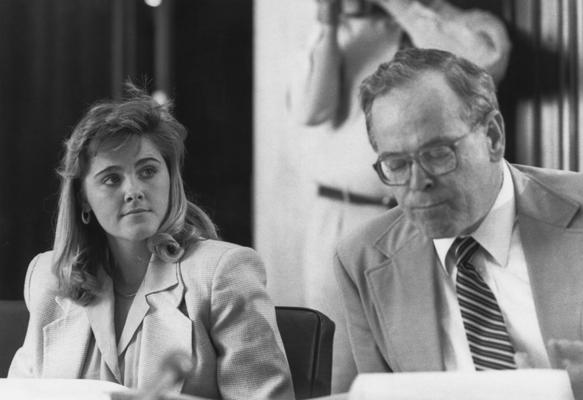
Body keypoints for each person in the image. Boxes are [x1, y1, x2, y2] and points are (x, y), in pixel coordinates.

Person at [8, 87, 295, 400]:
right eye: (111, 179)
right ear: (83, 200)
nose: (134, 190)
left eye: (147, 171)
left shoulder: (222, 274)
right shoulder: (48, 279)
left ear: (170, 179)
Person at [334, 47, 583, 398]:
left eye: (437, 154)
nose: (418, 182)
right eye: (397, 164)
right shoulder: (362, 258)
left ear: (493, 137)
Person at [288, 0, 510, 392]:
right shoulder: (343, 31)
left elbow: (484, 62)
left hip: (428, 215)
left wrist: (401, 6)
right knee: (333, 370)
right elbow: (310, 109)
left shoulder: (462, 22)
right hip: (339, 217)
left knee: (422, 365)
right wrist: (329, 21)